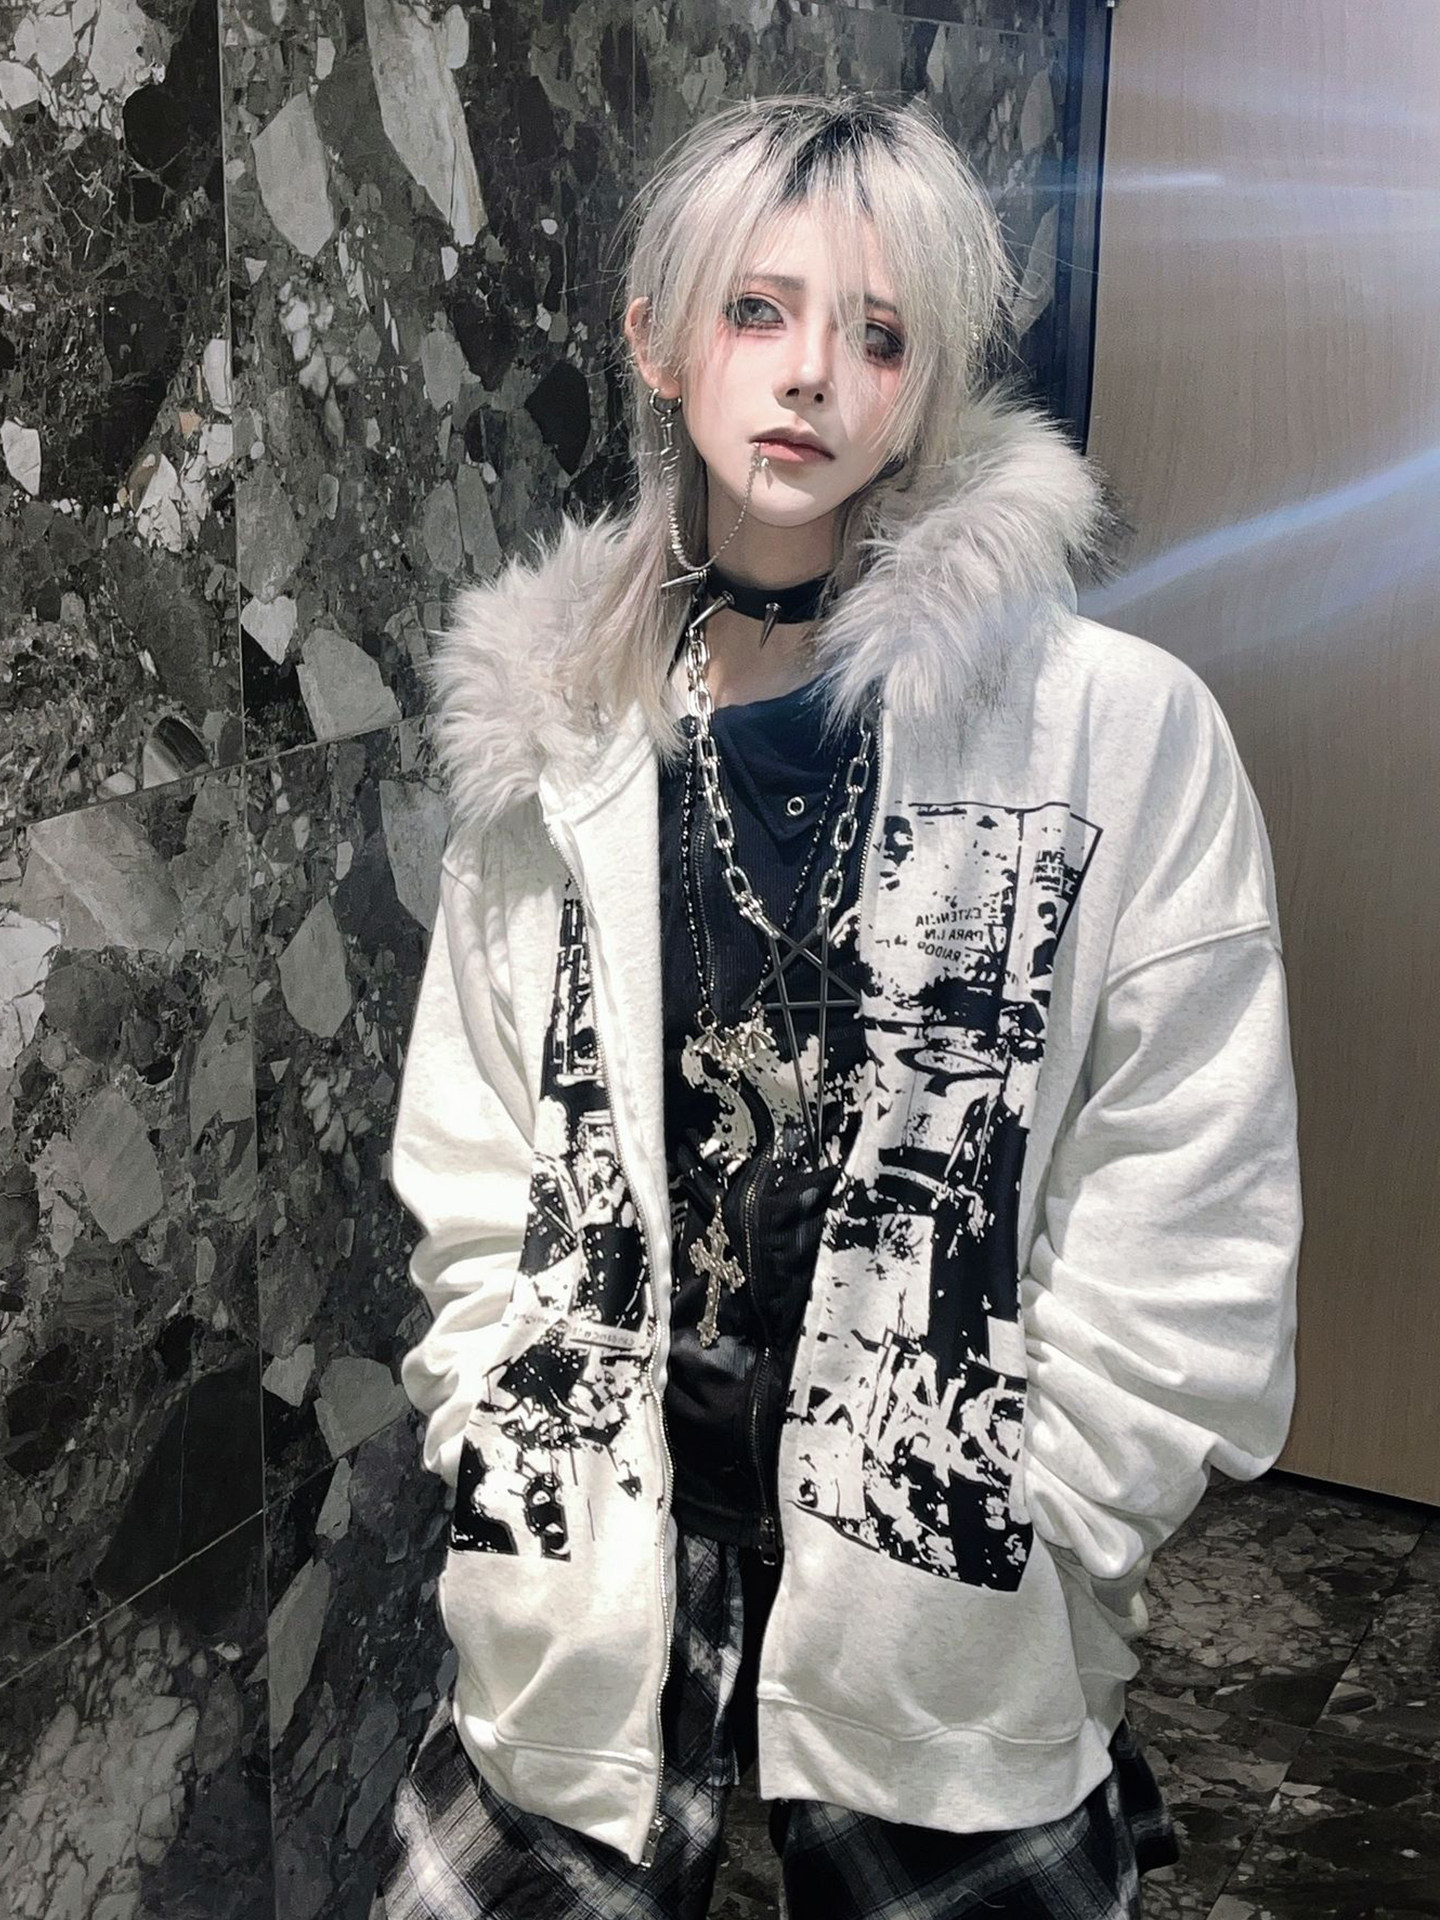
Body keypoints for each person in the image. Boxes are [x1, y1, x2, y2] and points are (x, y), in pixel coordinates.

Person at [377, 92, 1302, 1920]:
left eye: (880, 333)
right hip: (596, 1541)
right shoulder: (556, 737)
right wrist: (498, 1420)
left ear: (931, 381)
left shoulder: (1111, 730)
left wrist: (1043, 1512)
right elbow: (474, 1146)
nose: (812, 374)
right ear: (657, 338)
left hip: (939, 1569)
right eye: (758, 309)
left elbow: (1188, 1177)